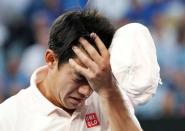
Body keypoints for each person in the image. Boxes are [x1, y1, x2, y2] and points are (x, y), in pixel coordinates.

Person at [0, 10, 147, 131]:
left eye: (94, 80)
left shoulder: (108, 95)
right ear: (51, 59)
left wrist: (108, 91)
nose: (86, 91)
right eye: (80, 78)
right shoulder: (9, 117)